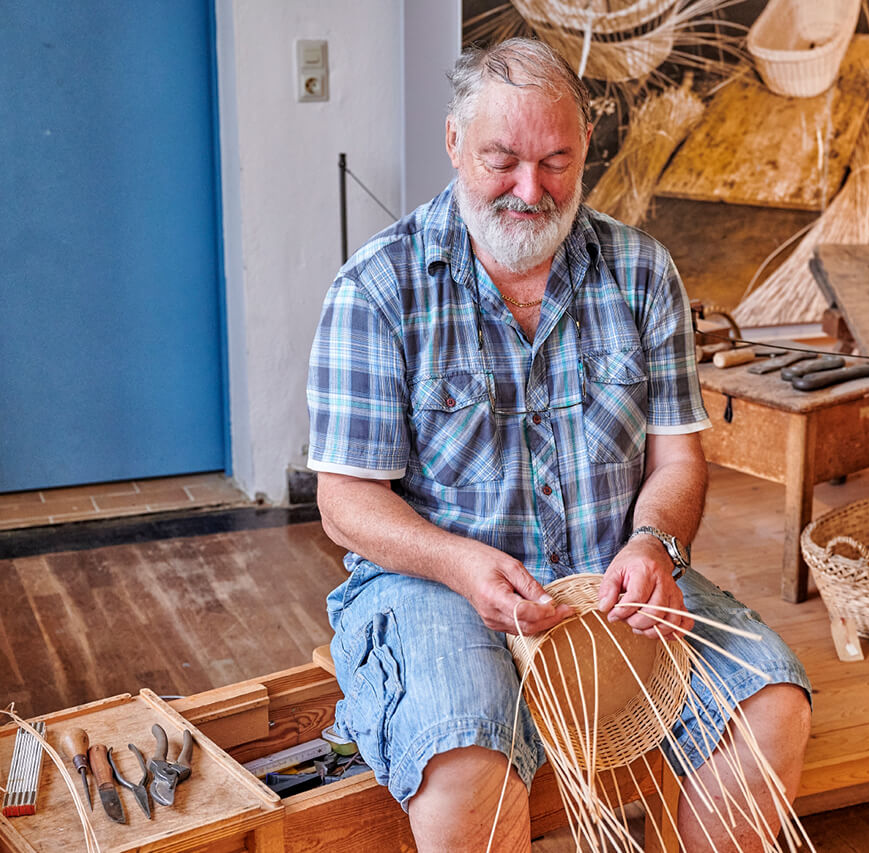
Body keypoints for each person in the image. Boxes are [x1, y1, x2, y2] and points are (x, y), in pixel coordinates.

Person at [306, 37, 811, 852]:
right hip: (435, 584)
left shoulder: (642, 273)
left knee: (771, 706)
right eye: (501, 160)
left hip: (611, 585)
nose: (529, 190)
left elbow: (677, 460)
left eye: (557, 162)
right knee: (468, 764)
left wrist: (656, 542)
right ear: (453, 143)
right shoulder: (377, 288)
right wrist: (462, 564)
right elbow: (346, 501)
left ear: (584, 153)